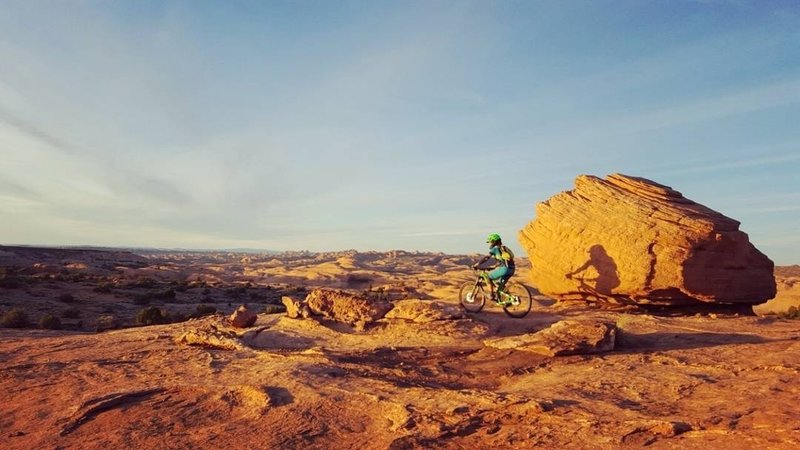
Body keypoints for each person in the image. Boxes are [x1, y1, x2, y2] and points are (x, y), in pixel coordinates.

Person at [472, 233, 515, 300]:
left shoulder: (495, 249)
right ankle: (508, 300)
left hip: (504, 269)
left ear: (494, 242)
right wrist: (494, 266)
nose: (490, 244)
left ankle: (491, 295)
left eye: (490, 242)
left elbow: (486, 258)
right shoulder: (504, 248)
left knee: (488, 277)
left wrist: (477, 264)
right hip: (511, 269)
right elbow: (502, 260)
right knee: (500, 286)